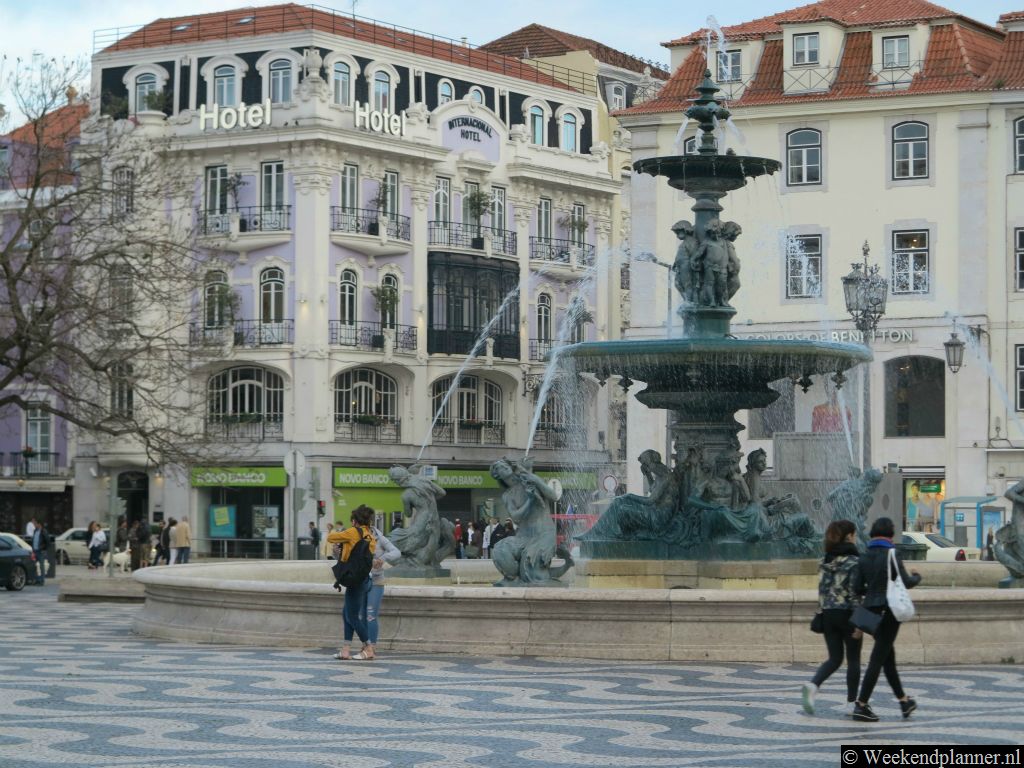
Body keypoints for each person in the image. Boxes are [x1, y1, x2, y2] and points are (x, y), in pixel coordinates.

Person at [852, 516, 921, 722]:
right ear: (890, 533)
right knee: (878, 658)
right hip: (889, 612)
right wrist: (918, 576)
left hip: (871, 612)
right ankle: (861, 704)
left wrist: (872, 591)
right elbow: (907, 582)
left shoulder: (864, 556)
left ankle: (904, 701)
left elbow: (857, 588)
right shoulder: (892, 553)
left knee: (886, 657)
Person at [801, 520, 863, 716]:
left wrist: (821, 611)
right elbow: (855, 593)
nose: (856, 537)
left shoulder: (825, 561)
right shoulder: (854, 561)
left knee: (834, 658)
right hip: (848, 614)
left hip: (828, 614)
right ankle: (851, 703)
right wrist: (859, 622)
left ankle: (813, 685)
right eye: (854, 534)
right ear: (849, 536)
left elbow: (822, 591)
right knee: (853, 659)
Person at [328, 505, 378, 661]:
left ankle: (369, 648)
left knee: (352, 616)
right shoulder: (370, 535)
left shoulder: (352, 532)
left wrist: (342, 536)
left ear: (355, 520)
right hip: (365, 578)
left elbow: (330, 538)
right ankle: (345, 649)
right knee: (347, 613)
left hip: (354, 579)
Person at [365, 523, 401, 656]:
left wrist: (382, 558)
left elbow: (396, 552)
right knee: (360, 616)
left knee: (370, 615)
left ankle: (372, 648)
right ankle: (366, 646)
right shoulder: (354, 535)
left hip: (376, 581)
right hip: (360, 581)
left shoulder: (379, 537)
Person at [31, 521, 49, 586]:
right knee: (34, 565)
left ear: (39, 524)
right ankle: (37, 580)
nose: (35, 525)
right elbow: (33, 540)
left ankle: (42, 580)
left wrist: (44, 549)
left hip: (41, 551)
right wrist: (32, 550)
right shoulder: (35, 531)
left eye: (36, 524)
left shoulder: (44, 531)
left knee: (41, 566)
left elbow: (47, 541)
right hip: (35, 551)